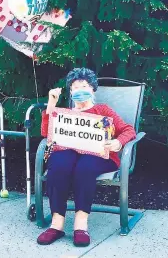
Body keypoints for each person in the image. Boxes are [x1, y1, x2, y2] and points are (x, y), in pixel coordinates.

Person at [37, 68, 136, 246]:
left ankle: (80, 225)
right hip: (69, 153)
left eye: (85, 86)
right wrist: (51, 104)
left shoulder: (102, 110)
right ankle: (56, 224)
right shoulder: (65, 114)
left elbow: (128, 129)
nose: (80, 90)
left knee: (85, 166)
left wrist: (118, 143)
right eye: (75, 87)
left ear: (92, 89)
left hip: (98, 156)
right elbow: (46, 133)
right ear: (71, 91)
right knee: (59, 163)